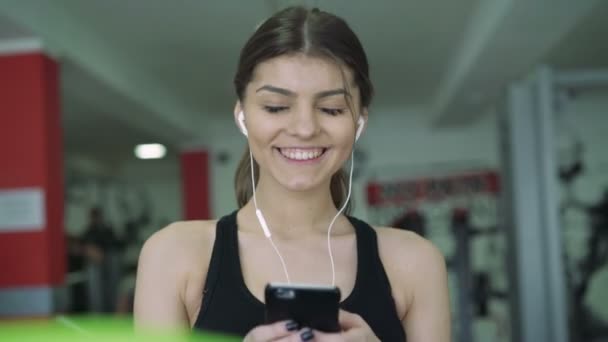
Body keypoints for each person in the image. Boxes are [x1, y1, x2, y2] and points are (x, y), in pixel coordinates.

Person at [134, 6, 450, 341]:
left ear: (358, 122)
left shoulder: (415, 262)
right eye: (276, 107)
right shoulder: (174, 255)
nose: (304, 128)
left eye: (331, 109)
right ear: (242, 116)